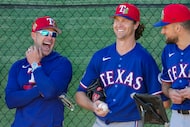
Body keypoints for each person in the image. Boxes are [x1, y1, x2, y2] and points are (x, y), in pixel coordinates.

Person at [75, 3, 168, 127]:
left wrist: (143, 104)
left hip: (130, 122)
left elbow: (164, 103)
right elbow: (80, 94)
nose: (119, 25)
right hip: (100, 122)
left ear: (136, 24)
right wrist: (93, 106)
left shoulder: (144, 59)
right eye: (116, 20)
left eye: (124, 21)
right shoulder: (101, 56)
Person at [5, 16, 72, 127]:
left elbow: (49, 92)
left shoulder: (62, 63)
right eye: (45, 33)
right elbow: (11, 100)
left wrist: (35, 65)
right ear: (34, 35)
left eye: (53, 34)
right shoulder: (18, 66)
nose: (50, 38)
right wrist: (39, 91)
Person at [154, 3, 190, 127]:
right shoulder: (168, 51)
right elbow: (165, 83)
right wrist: (170, 92)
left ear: (178, 28)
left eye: (165, 26)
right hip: (177, 116)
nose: (162, 31)